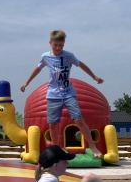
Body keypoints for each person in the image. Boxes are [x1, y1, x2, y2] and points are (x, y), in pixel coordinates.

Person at [20, 30, 104, 158]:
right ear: (50, 43)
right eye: (56, 45)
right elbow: (37, 69)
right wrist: (26, 83)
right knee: (52, 123)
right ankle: (57, 148)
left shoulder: (69, 56)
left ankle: (93, 147)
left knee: (78, 119)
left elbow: (81, 65)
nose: (58, 48)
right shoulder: (46, 57)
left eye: (61, 45)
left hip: (68, 93)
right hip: (53, 95)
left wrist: (94, 77)